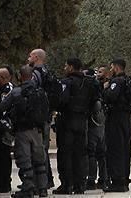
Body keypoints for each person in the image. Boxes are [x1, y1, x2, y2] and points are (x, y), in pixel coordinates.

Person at [0, 65, 49, 198]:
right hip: (38, 131)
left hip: (22, 131)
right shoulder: (40, 91)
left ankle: (28, 188)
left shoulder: (16, 92)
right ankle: (43, 188)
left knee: (24, 160)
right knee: (40, 161)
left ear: (20, 76)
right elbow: (46, 110)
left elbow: (2, 107)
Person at [55, 57, 99, 194]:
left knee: (65, 153)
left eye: (66, 66)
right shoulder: (90, 83)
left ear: (71, 67)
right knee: (80, 154)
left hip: (67, 120)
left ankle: (67, 184)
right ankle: (80, 184)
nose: (64, 69)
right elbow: (95, 101)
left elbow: (62, 100)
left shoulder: (66, 82)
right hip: (82, 121)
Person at [102, 59, 131, 192]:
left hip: (116, 117)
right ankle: (124, 179)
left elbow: (111, 96)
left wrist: (105, 89)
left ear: (116, 68)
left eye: (111, 67)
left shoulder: (117, 82)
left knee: (115, 149)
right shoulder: (130, 81)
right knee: (125, 150)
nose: (110, 70)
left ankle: (117, 182)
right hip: (127, 116)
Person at [28, 48, 57, 189]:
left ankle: (40, 182)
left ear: (36, 57)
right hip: (47, 114)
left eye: (30, 56)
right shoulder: (48, 72)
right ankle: (48, 179)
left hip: (38, 116)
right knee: (43, 149)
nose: (28, 59)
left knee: (38, 149)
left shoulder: (36, 73)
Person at [85, 67, 107, 190]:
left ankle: (92, 179)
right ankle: (103, 178)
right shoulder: (100, 90)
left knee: (92, 153)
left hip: (93, 125)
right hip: (100, 125)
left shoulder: (92, 93)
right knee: (101, 154)